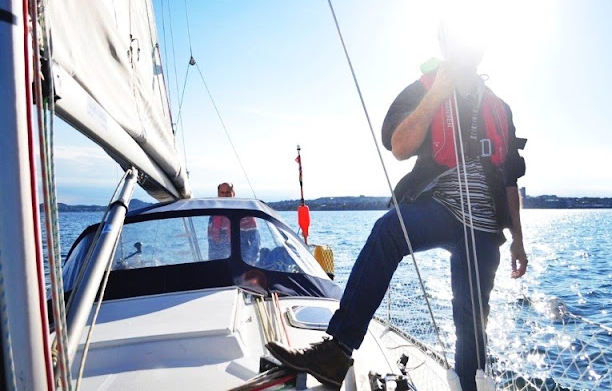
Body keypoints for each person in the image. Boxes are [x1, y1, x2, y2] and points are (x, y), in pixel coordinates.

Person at [265, 24, 528, 390]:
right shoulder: (424, 89)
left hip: (484, 228)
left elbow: (510, 178)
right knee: (389, 230)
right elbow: (400, 146)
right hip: (440, 209)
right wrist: (436, 94)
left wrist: (518, 240)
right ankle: (336, 351)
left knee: (471, 323)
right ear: (446, 46)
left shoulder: (499, 107)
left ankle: (470, 384)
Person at [208, 182, 259, 260]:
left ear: (233, 194)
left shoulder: (245, 214)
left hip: (242, 261)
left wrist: (251, 261)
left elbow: (255, 241)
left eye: (228, 192)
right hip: (220, 262)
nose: (225, 195)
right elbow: (211, 243)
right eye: (222, 193)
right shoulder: (213, 216)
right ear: (218, 195)